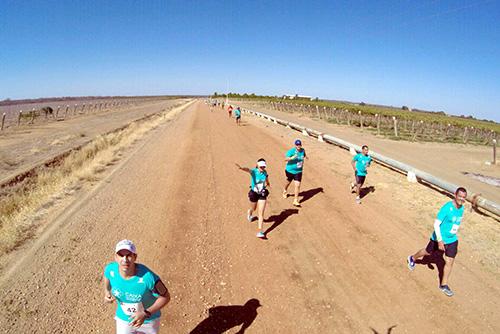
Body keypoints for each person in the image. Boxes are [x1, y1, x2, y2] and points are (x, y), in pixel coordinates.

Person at [407, 187, 467, 297]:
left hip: (452, 239)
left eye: (464, 197)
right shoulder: (447, 208)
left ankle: (443, 285)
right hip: (438, 238)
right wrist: (440, 240)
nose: (461, 199)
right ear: (455, 195)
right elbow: (436, 224)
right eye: (460, 196)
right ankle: (412, 258)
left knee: (449, 261)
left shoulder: (462, 208)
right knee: (427, 252)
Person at [104, 240, 170, 333]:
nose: (125, 259)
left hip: (148, 320)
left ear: (135, 257)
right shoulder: (111, 270)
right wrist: (107, 292)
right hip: (124, 319)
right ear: (116, 257)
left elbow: (166, 297)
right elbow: (107, 276)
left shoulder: (148, 278)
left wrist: (145, 313)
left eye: (129, 255)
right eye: (121, 255)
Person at [236, 159, 271, 238]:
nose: (262, 167)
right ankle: (250, 212)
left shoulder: (265, 172)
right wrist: (242, 168)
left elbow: (266, 178)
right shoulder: (254, 172)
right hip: (254, 193)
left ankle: (260, 231)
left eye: (264, 166)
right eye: (261, 166)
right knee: (253, 208)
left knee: (261, 213)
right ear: (257, 165)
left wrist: (268, 183)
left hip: (262, 193)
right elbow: (248, 170)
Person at [282, 139, 308, 207]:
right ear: (295, 145)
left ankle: (295, 200)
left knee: (297, 185)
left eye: (299, 144)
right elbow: (285, 159)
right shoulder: (291, 151)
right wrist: (292, 158)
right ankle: (285, 190)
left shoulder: (303, 150)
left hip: (299, 171)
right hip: (290, 170)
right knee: (288, 181)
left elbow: (304, 154)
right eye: (297, 145)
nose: (298, 146)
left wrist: (306, 157)